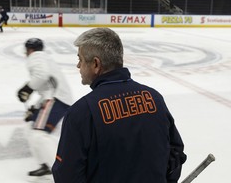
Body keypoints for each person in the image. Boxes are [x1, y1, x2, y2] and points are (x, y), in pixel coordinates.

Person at [52, 28, 187, 183]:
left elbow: (67, 176)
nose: (78, 66)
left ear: (96, 64)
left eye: (80, 59)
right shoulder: (154, 98)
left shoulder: (81, 113)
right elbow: (175, 152)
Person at [17, 38, 73, 178]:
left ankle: (64, 172)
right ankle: (45, 165)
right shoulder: (45, 58)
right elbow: (46, 84)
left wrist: (27, 89)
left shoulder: (36, 56)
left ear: (29, 50)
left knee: (39, 134)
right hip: (54, 98)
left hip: (55, 99)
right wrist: (35, 109)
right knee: (30, 127)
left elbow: (41, 74)